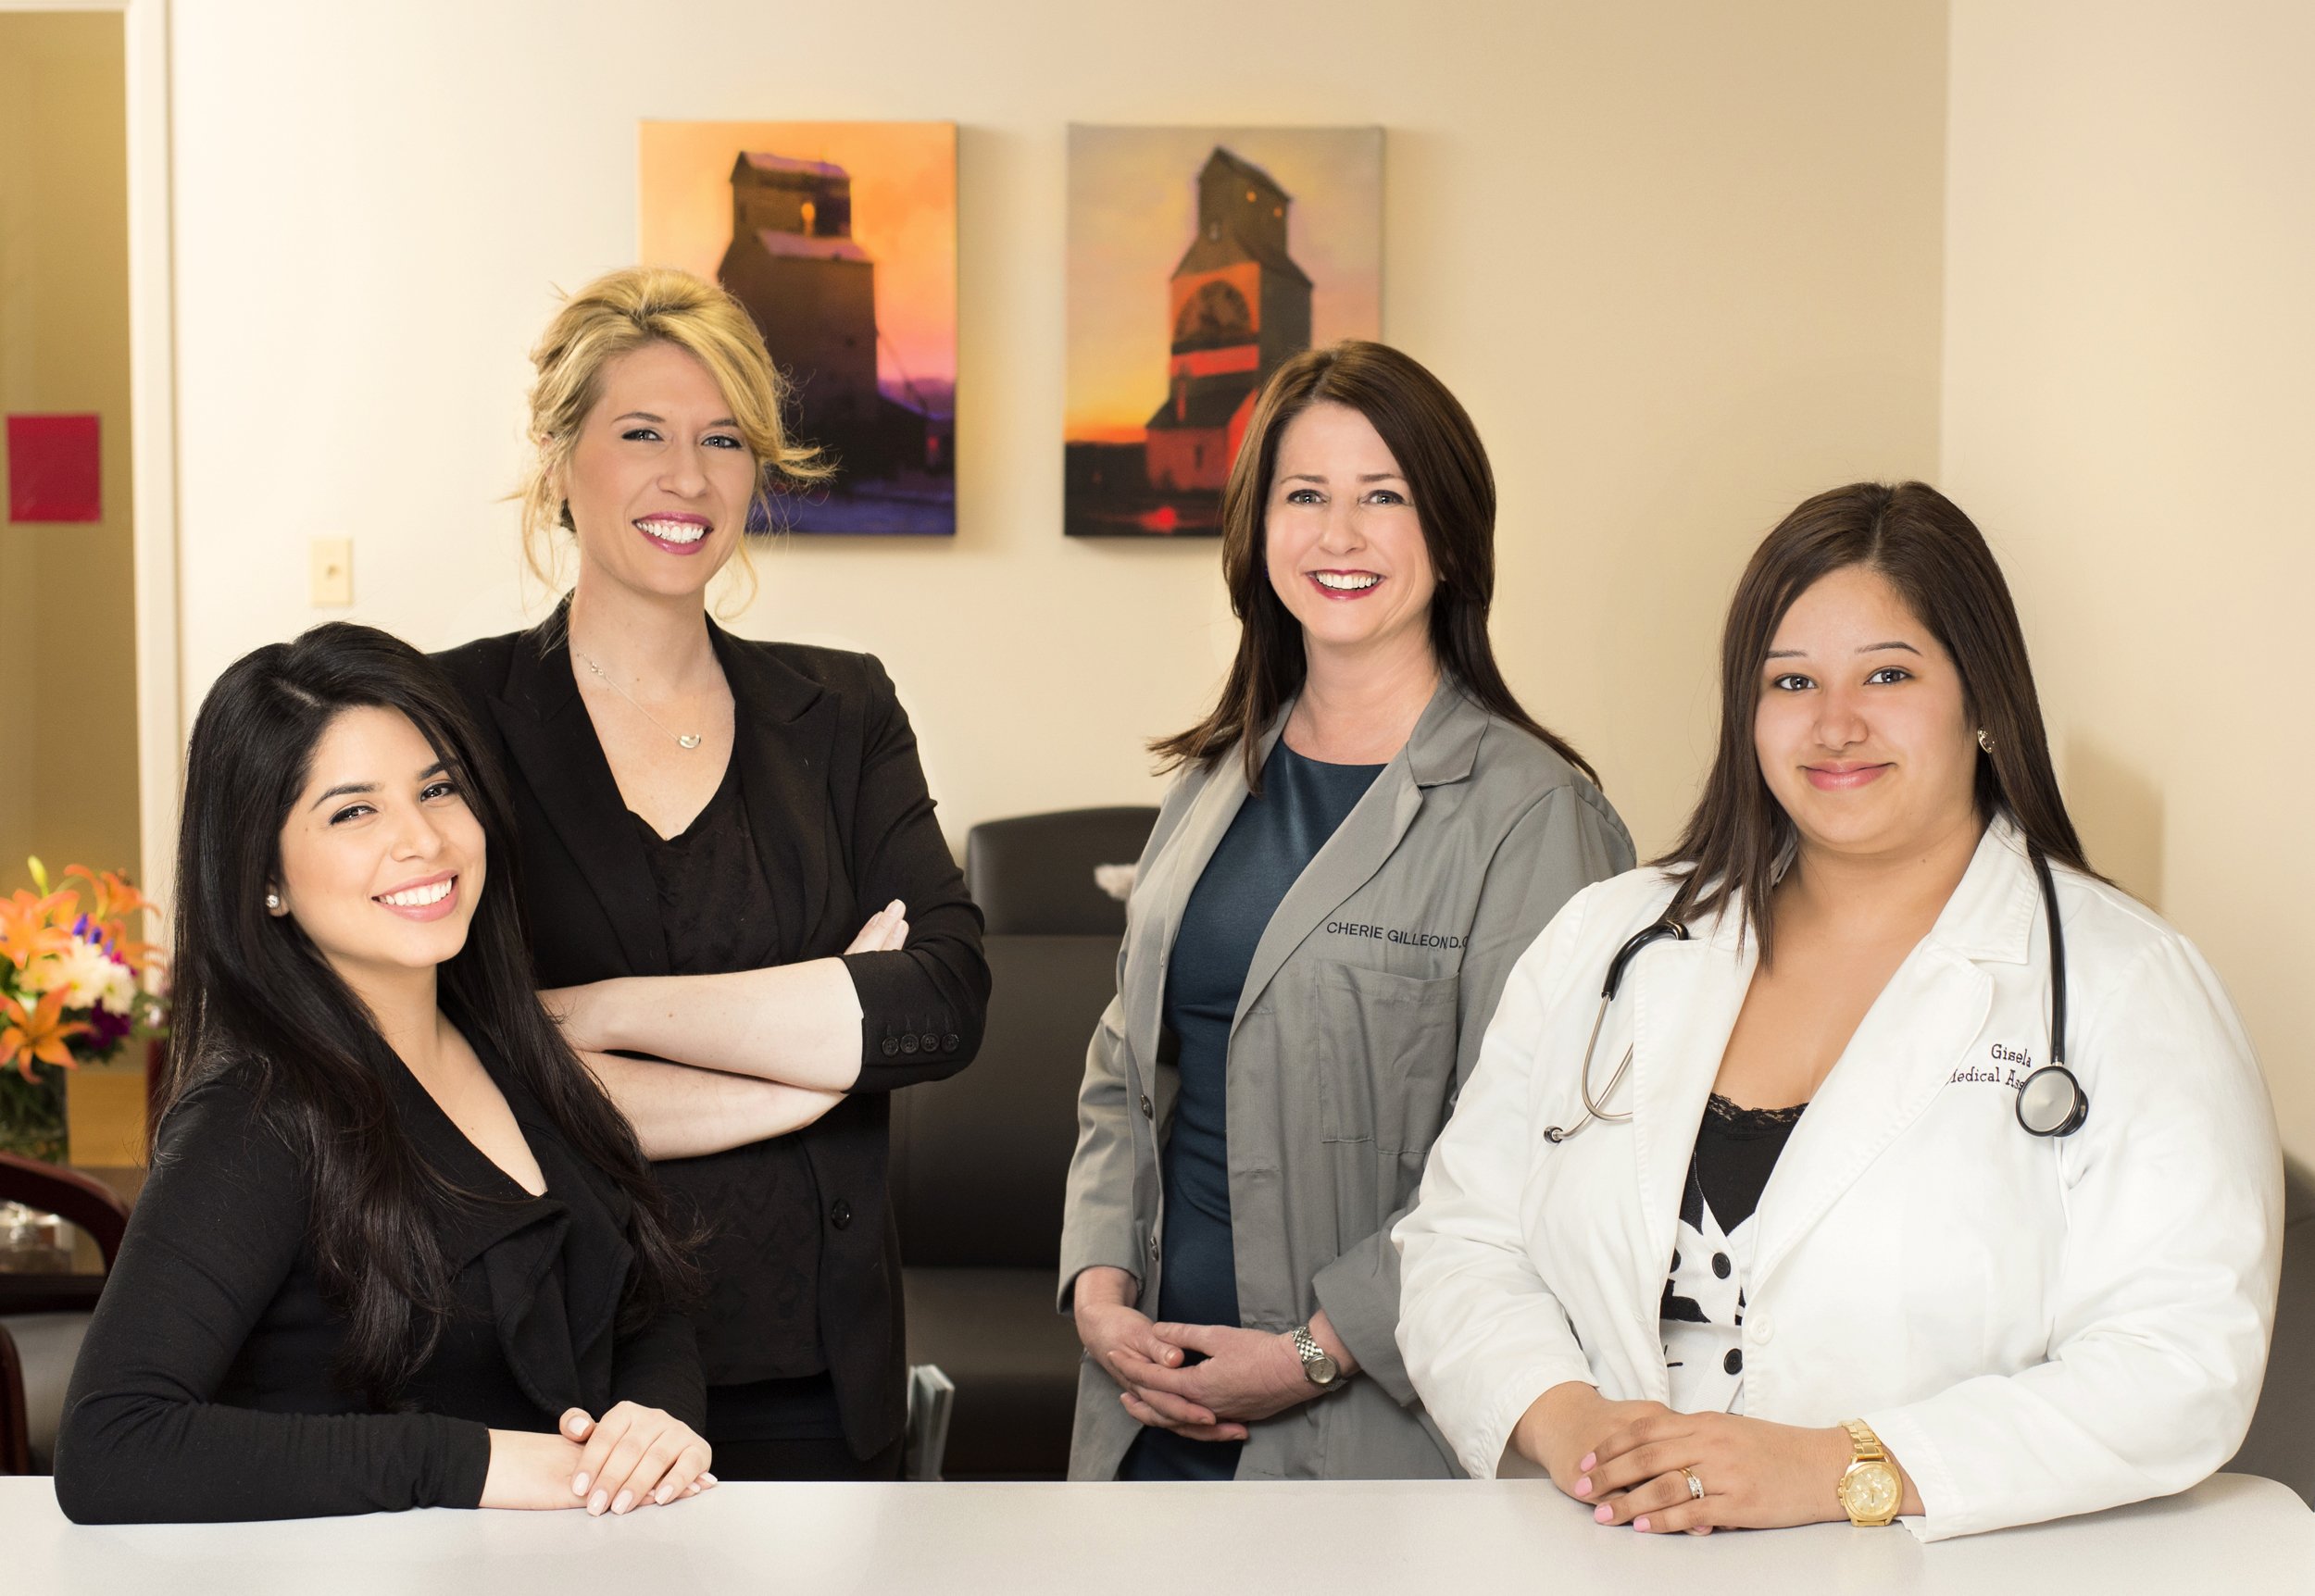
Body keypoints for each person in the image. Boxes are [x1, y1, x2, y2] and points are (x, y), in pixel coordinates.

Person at [1395, 481, 2282, 1540]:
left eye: (1889, 673)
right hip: (1607, 1548)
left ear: (1983, 698)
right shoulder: (1610, 939)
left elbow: (2183, 1359)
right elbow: (1461, 1240)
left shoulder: (2125, 982)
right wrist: (1573, 1426)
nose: (1834, 723)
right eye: (1791, 680)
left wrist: (1840, 1466)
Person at [434, 267, 986, 1481]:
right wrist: (806, 1071)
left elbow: (941, 1002)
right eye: (643, 435)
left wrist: (607, 1015)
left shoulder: (840, 709)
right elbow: (458, 1063)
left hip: (817, 1377)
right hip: (555, 1379)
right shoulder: (454, 716)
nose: (688, 478)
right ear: (559, 450)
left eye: (724, 439)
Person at [1059, 342, 1635, 1481]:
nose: (1339, 536)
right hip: (1149, 1404)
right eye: (1304, 495)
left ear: (1453, 532)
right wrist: (1097, 1284)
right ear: (1255, 526)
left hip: (1369, 1429)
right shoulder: (1214, 778)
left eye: (1384, 497)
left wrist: (1315, 1352)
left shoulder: (1534, 816)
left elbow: (1535, 1156)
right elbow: (1125, 1060)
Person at [55, 624, 710, 1524]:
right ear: (264, 876)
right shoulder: (257, 1114)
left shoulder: (505, 1047)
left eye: (439, 788)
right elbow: (112, 1441)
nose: (423, 840)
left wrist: (656, 1420)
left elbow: (637, 1301)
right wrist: (471, 1460)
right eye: (353, 810)